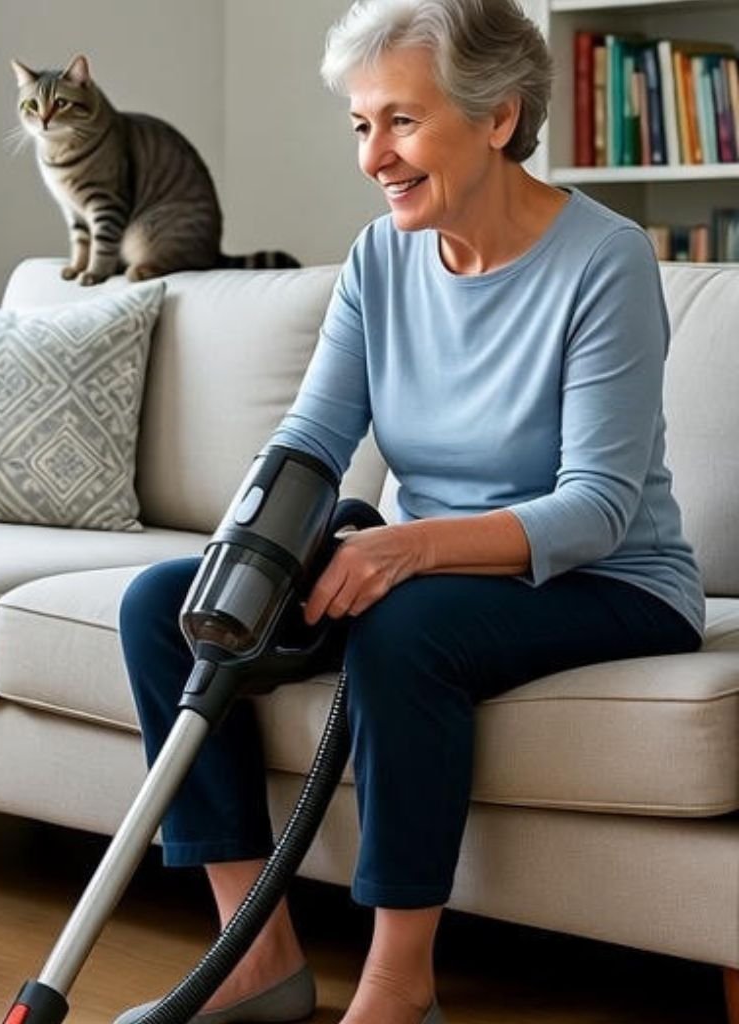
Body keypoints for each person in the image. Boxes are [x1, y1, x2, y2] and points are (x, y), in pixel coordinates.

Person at [113, 2, 707, 1023]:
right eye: (360, 125)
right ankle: (256, 956)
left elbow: (598, 508)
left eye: (401, 121)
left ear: (498, 119)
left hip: (608, 582)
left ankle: (398, 987)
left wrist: (403, 549)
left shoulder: (601, 261)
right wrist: (250, 543)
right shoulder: (382, 259)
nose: (373, 156)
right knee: (168, 604)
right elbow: (311, 436)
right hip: (423, 569)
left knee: (403, 629)